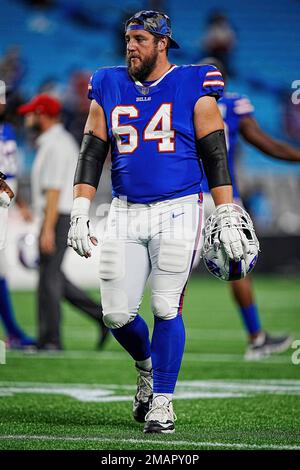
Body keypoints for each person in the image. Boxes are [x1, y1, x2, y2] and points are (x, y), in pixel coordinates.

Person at [67, 10, 257, 433]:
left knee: (165, 305)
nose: (130, 45)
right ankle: (147, 369)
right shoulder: (109, 82)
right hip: (124, 208)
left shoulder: (195, 80)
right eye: (128, 38)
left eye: (139, 38)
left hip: (179, 208)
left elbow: (214, 152)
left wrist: (225, 208)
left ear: (162, 43)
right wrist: (79, 209)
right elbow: (92, 151)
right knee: (116, 314)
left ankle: (163, 402)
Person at [200, 58, 299, 359]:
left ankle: (149, 339)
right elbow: (265, 143)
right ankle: (256, 338)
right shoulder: (232, 104)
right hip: (224, 196)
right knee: (238, 266)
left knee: (170, 270)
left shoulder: (182, 103)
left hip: (185, 195)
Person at [18, 94, 109, 351]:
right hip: (56, 215)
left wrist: (46, 229)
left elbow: (54, 190)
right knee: (54, 276)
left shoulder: (56, 145)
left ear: (43, 115)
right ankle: (100, 316)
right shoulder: (54, 142)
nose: (27, 117)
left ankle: (50, 340)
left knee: (48, 280)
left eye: (31, 113)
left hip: (57, 216)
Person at [0, 101, 36, 349]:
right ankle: (13, 331)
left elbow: (8, 175)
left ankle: (13, 331)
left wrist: (20, 202)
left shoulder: (8, 130)